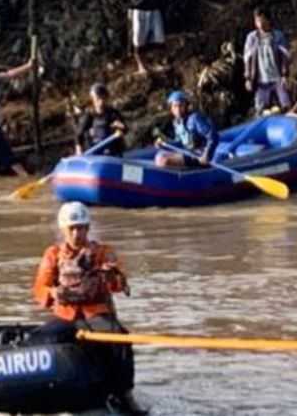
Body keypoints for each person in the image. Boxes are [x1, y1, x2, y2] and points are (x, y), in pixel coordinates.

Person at [31, 203, 144, 415]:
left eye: (81, 228)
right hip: (66, 315)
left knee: (120, 338)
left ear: (88, 228)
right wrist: (53, 293)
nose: (77, 233)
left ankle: (125, 394)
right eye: (72, 228)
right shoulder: (53, 254)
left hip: (96, 313)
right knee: (37, 339)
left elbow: (118, 285)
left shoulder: (103, 252)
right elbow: (40, 286)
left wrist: (112, 275)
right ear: (64, 230)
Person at [243, 8, 291, 113]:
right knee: (262, 109)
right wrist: (248, 78)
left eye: (262, 20)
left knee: (286, 104)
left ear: (268, 20)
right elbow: (247, 58)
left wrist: (284, 75)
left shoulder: (278, 36)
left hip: (277, 78)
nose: (260, 24)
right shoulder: (251, 38)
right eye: (257, 21)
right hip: (261, 81)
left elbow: (285, 56)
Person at [153, 91, 218, 168]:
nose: (178, 109)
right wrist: (165, 145)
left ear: (186, 105)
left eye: (181, 106)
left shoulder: (195, 119)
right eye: (175, 106)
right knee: (159, 157)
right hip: (188, 153)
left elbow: (214, 136)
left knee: (164, 161)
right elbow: (179, 143)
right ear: (171, 108)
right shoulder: (177, 122)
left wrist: (206, 154)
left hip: (199, 155)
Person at [74, 83, 127, 156]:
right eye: (98, 99)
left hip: (113, 153)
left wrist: (121, 127)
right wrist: (78, 148)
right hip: (94, 154)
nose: (101, 101)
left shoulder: (113, 113)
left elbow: (125, 129)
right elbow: (78, 134)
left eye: (103, 98)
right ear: (93, 100)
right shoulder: (89, 115)